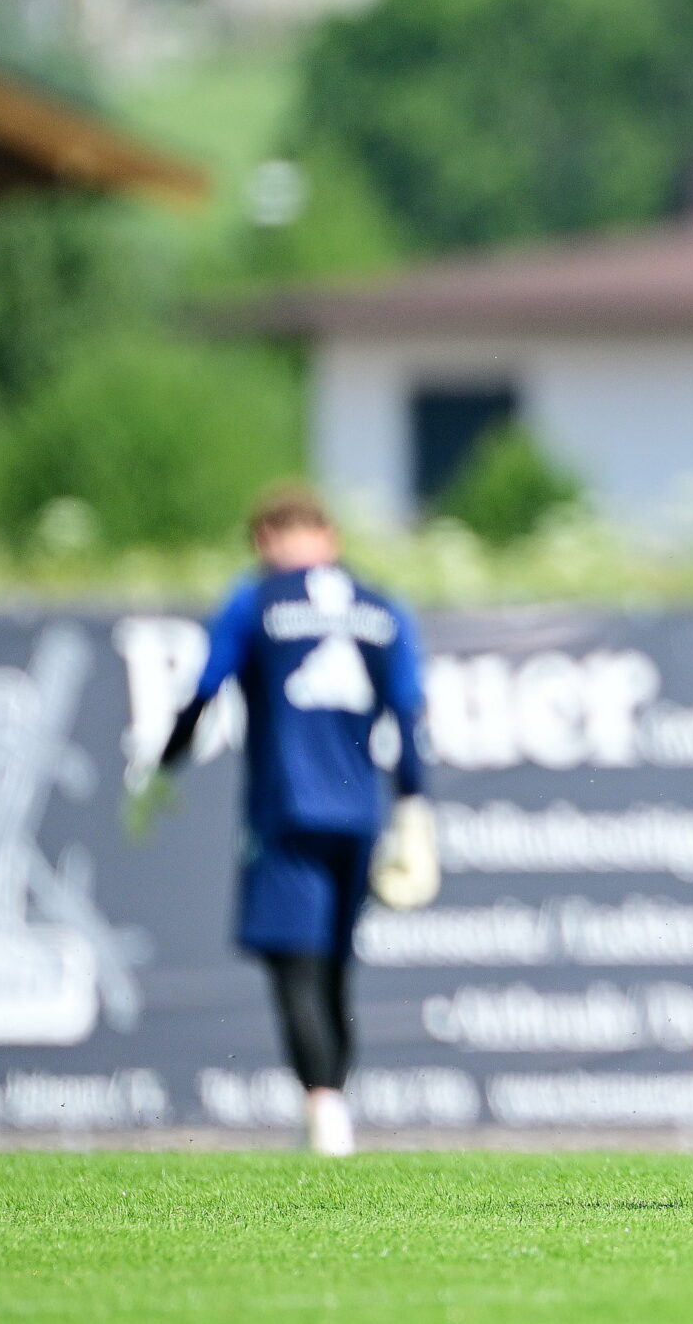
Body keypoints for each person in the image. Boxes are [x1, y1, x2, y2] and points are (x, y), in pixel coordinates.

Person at [138, 485, 436, 1157]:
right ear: (329, 538)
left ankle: (326, 1120)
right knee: (335, 968)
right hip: (359, 815)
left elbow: (205, 687)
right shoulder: (383, 607)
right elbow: (409, 716)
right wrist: (415, 805)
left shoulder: (256, 601)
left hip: (287, 811)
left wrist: (164, 765)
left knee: (296, 970)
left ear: (266, 540)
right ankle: (335, 1112)